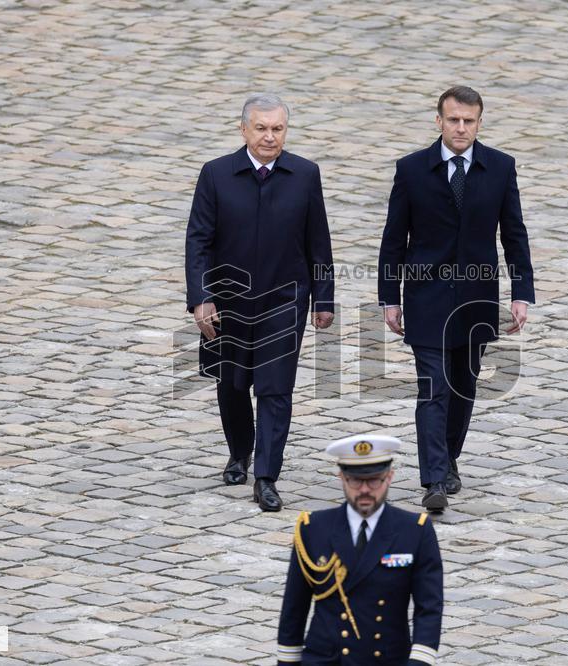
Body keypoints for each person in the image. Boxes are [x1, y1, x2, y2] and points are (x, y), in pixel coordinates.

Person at [377, 86, 535, 512]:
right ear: (439, 121)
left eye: (468, 121)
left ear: (479, 123)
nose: (460, 127)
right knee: (433, 388)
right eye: (453, 120)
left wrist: (522, 293)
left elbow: (514, 234)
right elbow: (394, 239)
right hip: (426, 297)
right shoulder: (411, 170)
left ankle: (448, 460)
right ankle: (432, 480)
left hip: (477, 299)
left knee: (463, 386)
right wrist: (389, 298)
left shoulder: (500, 168)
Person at [186, 93, 335, 512]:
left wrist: (324, 298)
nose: (270, 137)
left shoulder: (305, 174)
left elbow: (318, 242)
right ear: (244, 129)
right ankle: (240, 452)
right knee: (232, 385)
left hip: (284, 303)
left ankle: (267, 476)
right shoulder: (216, 174)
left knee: (275, 390)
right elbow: (198, 240)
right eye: (261, 128)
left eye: (277, 129)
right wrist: (201, 297)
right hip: (227, 304)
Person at [277, 435, 443, 665]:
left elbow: (429, 608)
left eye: (374, 480)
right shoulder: (313, 528)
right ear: (341, 479)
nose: (365, 489)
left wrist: (419, 662)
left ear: (389, 478)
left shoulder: (414, 531)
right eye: (355, 481)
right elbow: (294, 609)